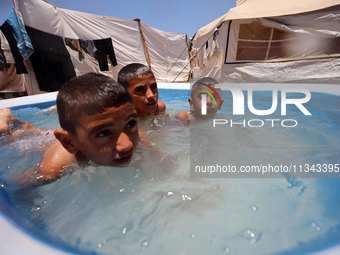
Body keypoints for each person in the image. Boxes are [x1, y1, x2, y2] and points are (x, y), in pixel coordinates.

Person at [17, 73, 139, 183]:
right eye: (104, 133)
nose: (127, 144)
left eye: (130, 123)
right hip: (36, 142)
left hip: (56, 134)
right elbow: (21, 189)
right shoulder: (54, 167)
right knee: (19, 133)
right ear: (69, 142)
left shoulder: (128, 134)